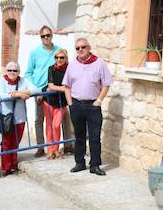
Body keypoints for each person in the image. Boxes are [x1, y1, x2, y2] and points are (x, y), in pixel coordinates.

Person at [62, 37, 112, 176]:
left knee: (95, 137)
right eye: (77, 48)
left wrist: (99, 101)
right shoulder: (72, 65)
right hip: (76, 104)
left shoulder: (99, 63)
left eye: (83, 47)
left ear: (89, 48)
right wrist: (70, 104)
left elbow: (106, 84)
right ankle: (79, 163)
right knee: (79, 136)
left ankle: (95, 165)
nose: (80, 50)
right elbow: (66, 86)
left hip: (92, 106)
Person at [25, 26, 64, 157]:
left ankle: (65, 145)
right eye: (43, 36)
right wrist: (37, 91)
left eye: (48, 35)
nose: (46, 38)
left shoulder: (58, 51)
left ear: (52, 35)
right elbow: (28, 73)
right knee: (39, 119)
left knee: (59, 121)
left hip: (55, 91)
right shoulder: (34, 53)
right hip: (40, 92)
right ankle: (41, 147)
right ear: (40, 37)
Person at [0, 62, 32, 176]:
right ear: (6, 71)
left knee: (16, 141)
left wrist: (18, 92)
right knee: (6, 142)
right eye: (9, 70)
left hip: (20, 117)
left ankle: (13, 163)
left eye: (15, 70)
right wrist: (19, 95)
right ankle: (6, 167)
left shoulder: (23, 81)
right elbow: (3, 95)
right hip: (7, 116)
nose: (12, 72)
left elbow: (35, 90)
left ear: (19, 72)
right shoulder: (2, 81)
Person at [43, 48, 70, 159]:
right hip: (49, 101)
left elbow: (70, 85)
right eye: (57, 57)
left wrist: (63, 89)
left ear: (65, 58)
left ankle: (56, 149)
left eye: (61, 57)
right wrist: (63, 89)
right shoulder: (51, 69)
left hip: (61, 102)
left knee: (56, 125)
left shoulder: (69, 69)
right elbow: (51, 85)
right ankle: (50, 150)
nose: (59, 59)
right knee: (49, 125)